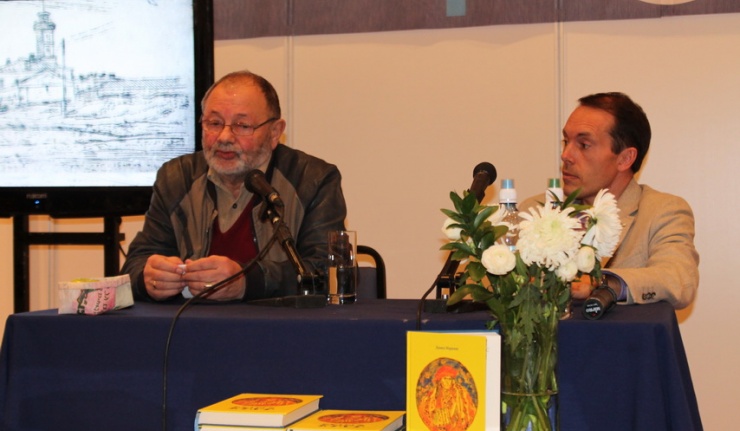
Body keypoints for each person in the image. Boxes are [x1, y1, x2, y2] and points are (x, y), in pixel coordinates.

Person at [121, 70, 347, 302]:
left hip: (279, 322)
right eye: (214, 123)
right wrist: (148, 278)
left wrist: (247, 282)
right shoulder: (177, 178)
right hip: (191, 321)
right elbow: (135, 264)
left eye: (242, 125)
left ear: (274, 132)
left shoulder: (313, 180)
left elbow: (330, 272)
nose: (224, 137)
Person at [522, 92, 699, 309]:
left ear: (625, 158)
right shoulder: (535, 211)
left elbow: (678, 280)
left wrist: (603, 283)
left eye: (584, 145)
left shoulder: (662, 212)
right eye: (566, 141)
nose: (566, 155)